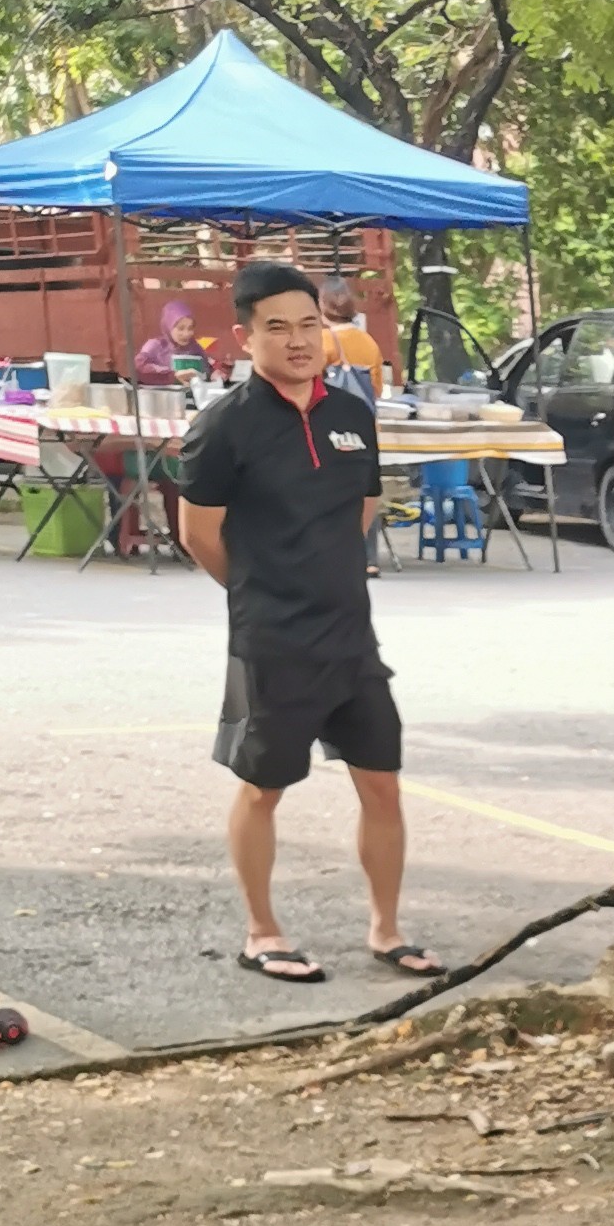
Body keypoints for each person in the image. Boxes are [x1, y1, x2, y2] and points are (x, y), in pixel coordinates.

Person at [175, 260, 438, 987]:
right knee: (263, 788)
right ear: (245, 337)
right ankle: (262, 933)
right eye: (277, 328)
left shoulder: (351, 414)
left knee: (382, 783)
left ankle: (387, 929)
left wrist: (330, 580)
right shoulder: (223, 426)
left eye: (308, 325)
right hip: (274, 641)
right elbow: (198, 533)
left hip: (351, 637)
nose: (297, 341)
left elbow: (360, 508)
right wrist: (263, 590)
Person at [319, 277, 386, 391]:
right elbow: (377, 388)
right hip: (364, 401)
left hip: (332, 400)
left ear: (323, 305)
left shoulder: (322, 339)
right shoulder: (369, 341)